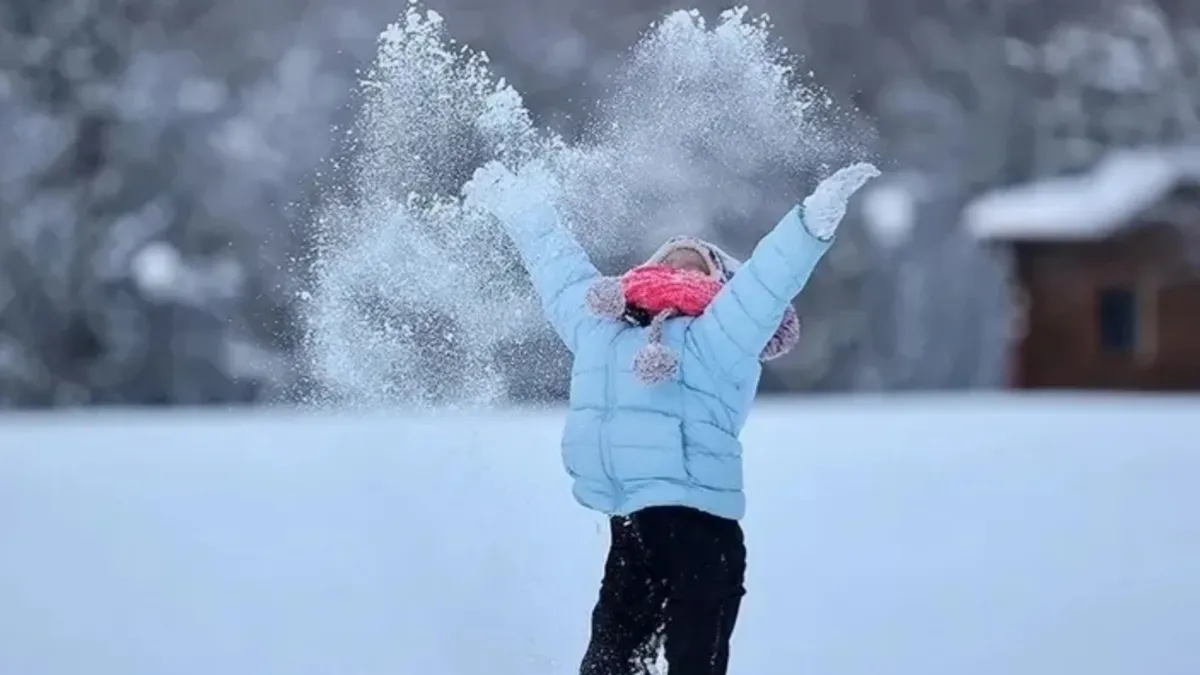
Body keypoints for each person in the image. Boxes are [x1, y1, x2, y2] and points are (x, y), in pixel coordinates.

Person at [466, 159, 879, 675]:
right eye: (670, 262)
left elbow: (769, 280)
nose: (679, 271)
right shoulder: (602, 331)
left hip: (702, 531)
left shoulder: (722, 334)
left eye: (696, 266)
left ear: (721, 285)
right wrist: (521, 207)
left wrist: (812, 220)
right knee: (606, 664)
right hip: (632, 527)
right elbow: (559, 270)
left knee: (694, 664)